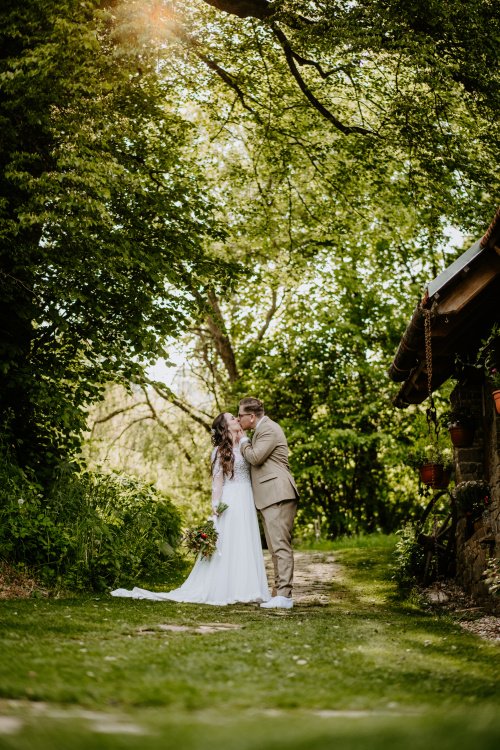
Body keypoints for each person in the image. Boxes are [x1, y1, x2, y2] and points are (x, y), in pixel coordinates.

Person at [110, 412, 270, 605]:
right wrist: (215, 505)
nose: (237, 419)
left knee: (245, 540)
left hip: (246, 497)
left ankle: (249, 588)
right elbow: (217, 482)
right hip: (231, 499)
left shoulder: (246, 444)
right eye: (232, 418)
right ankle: (228, 588)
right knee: (230, 542)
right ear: (225, 427)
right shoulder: (219, 451)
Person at [237, 397, 299, 609]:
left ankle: (284, 595)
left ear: (251, 416)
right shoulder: (262, 430)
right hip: (270, 495)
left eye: (240, 415)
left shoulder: (269, 429)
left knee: (280, 545)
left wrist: (243, 441)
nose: (238, 418)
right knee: (274, 547)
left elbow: (255, 457)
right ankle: (279, 593)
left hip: (278, 493)